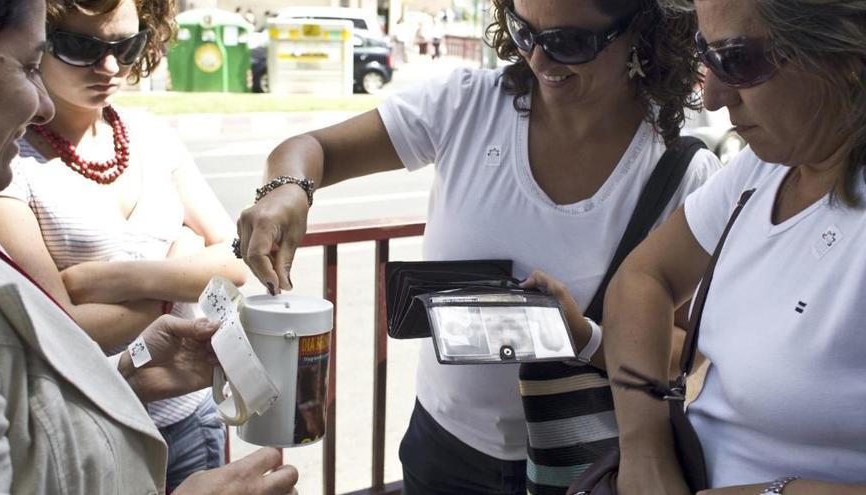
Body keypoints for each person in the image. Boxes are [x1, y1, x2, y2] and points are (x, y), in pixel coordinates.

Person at [234, 0, 720, 492]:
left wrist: (584, 336)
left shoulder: (680, 169)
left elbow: (687, 355)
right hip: (443, 447)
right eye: (525, 31)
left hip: (584, 463)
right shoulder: (466, 106)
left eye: (570, 43)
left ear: (642, 28)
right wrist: (289, 189)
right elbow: (313, 149)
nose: (540, 61)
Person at [0, 0, 298, 493]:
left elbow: (236, 258)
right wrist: (180, 267)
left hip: (187, 407)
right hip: (90, 420)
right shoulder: (5, 157)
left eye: (125, 46)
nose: (109, 66)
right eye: (79, 47)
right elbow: (58, 329)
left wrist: (113, 280)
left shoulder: (151, 134)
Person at [600, 0, 866, 493]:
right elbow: (643, 278)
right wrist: (645, 452)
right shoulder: (768, 166)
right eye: (706, 53)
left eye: (737, 60)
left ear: (846, 57)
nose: (714, 96)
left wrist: (775, 491)